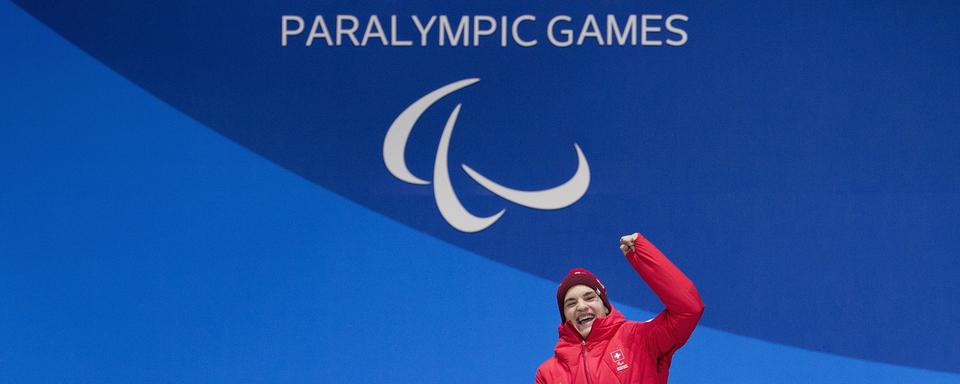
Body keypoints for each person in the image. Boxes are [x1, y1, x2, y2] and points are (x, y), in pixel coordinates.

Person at [535, 232, 705, 384]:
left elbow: (688, 309)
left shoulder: (642, 338)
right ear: (564, 316)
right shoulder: (548, 374)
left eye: (590, 297)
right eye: (571, 303)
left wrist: (643, 255)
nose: (581, 306)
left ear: (604, 305)